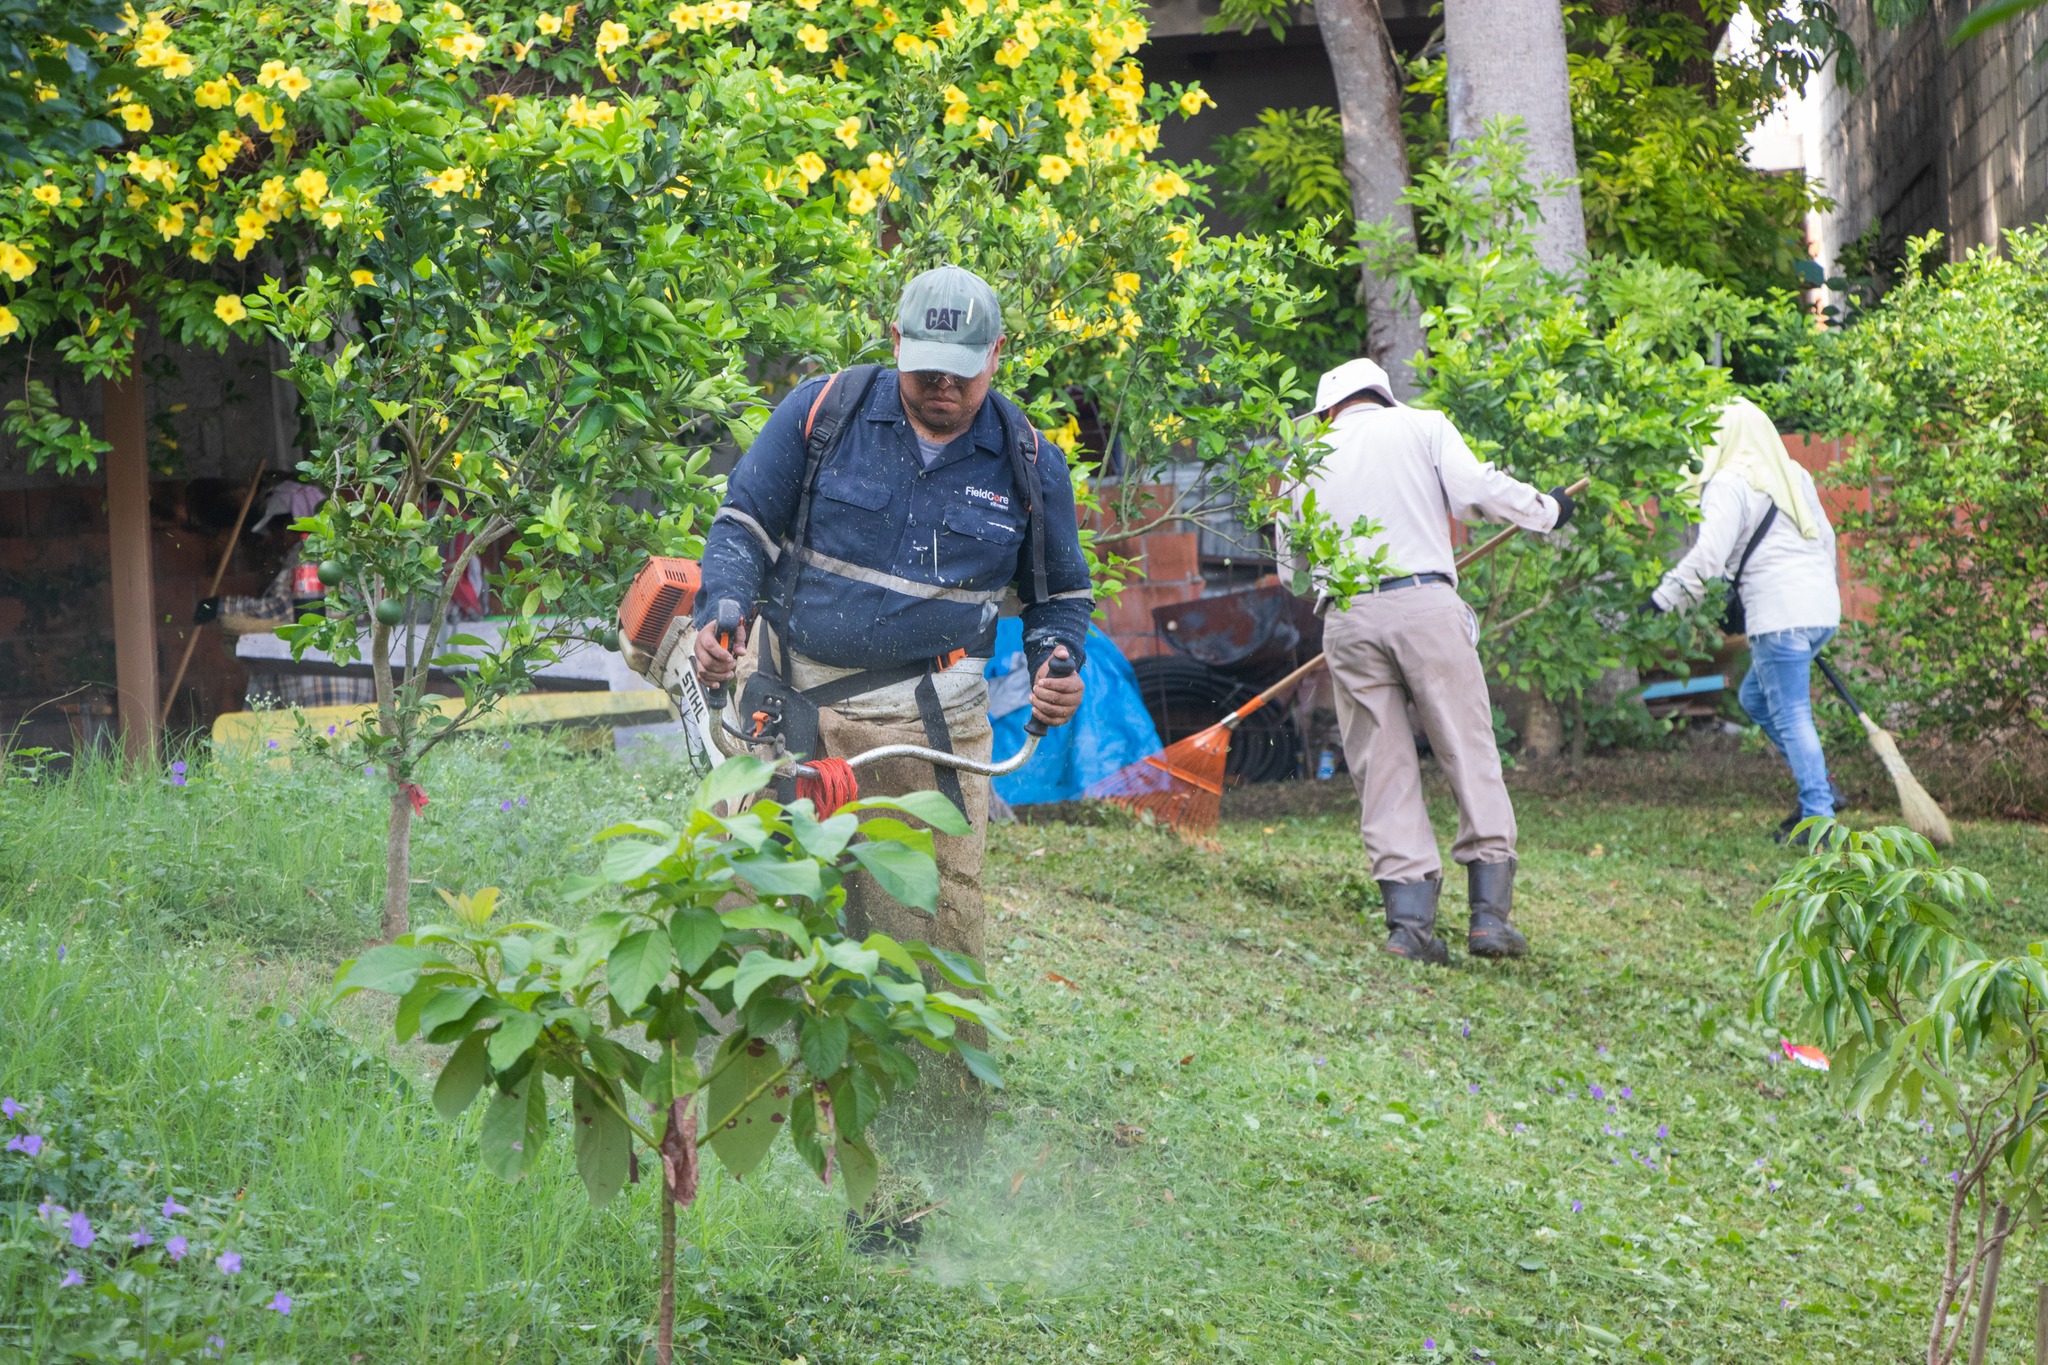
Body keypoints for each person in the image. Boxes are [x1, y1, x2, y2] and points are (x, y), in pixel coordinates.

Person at [690, 265, 1091, 1121]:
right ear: (896, 341)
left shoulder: (1026, 462)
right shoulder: (822, 412)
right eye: (925, 368)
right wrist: (721, 611)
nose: (942, 387)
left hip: (923, 725)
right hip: (783, 701)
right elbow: (743, 526)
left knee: (929, 926)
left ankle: (929, 1147)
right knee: (743, 902)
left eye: (961, 371)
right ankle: (732, 1114)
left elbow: (1059, 596)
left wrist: (1060, 663)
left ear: (997, 356)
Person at [1283, 358, 1575, 965]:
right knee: (1467, 751)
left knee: (1381, 766)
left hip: (1348, 618)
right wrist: (1547, 510)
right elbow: (1478, 492)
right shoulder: (1423, 426)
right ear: (1382, 397)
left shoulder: (1303, 458)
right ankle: (1488, 919)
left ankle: (1410, 930)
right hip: (1425, 604)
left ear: (1328, 409)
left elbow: (1293, 574)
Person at [1645, 396, 1842, 844]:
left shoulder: (1730, 483)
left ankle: (1821, 819)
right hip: (1819, 610)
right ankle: (1820, 787)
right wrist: (1815, 601)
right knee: (1756, 698)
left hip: (1780, 615)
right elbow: (1825, 537)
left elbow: (1708, 557)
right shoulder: (1796, 477)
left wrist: (1661, 599)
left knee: (1792, 714)